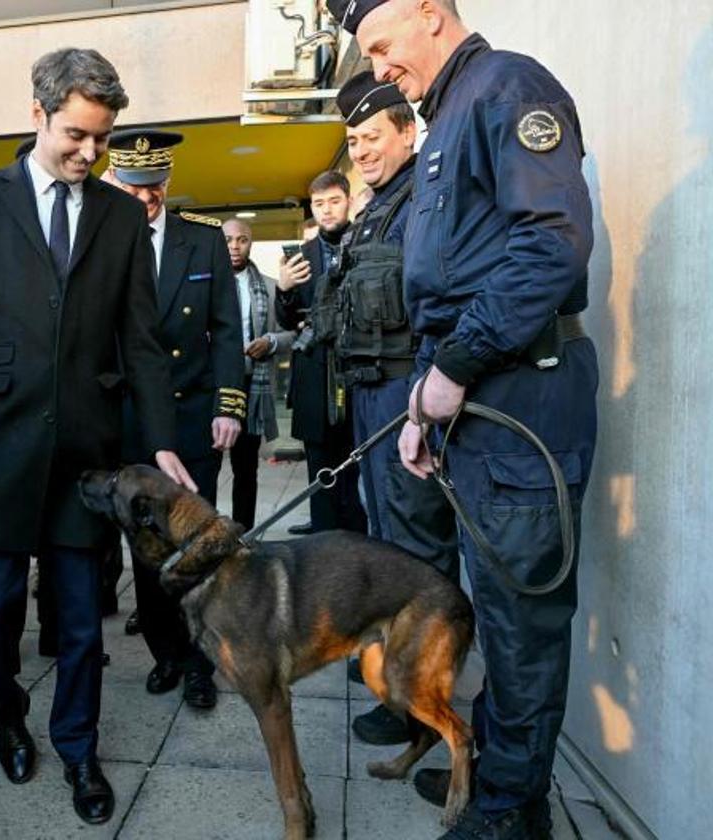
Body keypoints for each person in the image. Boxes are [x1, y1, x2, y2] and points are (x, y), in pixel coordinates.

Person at [337, 2, 599, 838]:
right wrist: (423, 402)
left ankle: (509, 816)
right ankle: (488, 773)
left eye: (381, 45)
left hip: (522, 400)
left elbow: (551, 247)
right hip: (476, 409)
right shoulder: (450, 113)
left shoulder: (505, 87)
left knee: (522, 629)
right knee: (490, 607)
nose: (377, 68)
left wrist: (450, 368)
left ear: (428, 12)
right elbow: (441, 291)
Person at [0, 47, 193, 826]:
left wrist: (163, 439)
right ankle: (7, 713)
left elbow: (141, 339)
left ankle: (78, 748)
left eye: (102, 139)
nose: (89, 153)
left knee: (81, 624)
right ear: (37, 114)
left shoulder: (118, 215)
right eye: (76, 134)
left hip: (87, 458)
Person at [317, 71, 461, 747]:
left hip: (407, 396)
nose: (363, 151)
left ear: (409, 132)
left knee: (417, 554)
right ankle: (396, 672)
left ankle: (420, 700)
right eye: (353, 141)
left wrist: (422, 406)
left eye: (373, 136)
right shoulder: (378, 207)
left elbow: (438, 309)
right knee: (388, 541)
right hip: (372, 398)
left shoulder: (423, 202)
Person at [102, 129, 243, 711]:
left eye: (154, 185)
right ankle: (167, 653)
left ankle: (202, 663)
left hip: (191, 416)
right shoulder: (102, 241)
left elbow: (228, 329)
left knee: (197, 543)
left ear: (168, 181)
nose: (145, 197)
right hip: (133, 418)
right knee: (146, 544)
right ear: (116, 182)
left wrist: (227, 405)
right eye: (133, 186)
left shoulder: (202, 241)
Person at [276, 172, 368, 536]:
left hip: (358, 375)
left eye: (334, 201)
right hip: (315, 377)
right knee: (320, 468)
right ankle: (325, 539)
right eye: (319, 203)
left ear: (347, 201)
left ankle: (359, 542)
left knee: (358, 464)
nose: (327, 210)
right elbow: (287, 321)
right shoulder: (300, 257)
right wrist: (283, 290)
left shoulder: (367, 245)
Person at [222, 217, 294, 529]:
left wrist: (271, 342)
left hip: (253, 387)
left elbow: (292, 334)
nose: (235, 247)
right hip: (213, 386)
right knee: (205, 469)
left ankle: (243, 535)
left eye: (242, 240)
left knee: (245, 469)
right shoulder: (202, 283)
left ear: (250, 242)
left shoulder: (268, 286)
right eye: (228, 240)